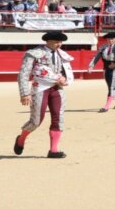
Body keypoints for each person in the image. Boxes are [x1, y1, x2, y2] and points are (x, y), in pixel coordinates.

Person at [13, 31, 73, 159]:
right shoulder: (33, 53)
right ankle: (21, 139)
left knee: (59, 118)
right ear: (48, 41)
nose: (59, 45)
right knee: (35, 121)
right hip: (40, 88)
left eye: (61, 42)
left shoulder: (61, 54)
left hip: (57, 88)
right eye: (57, 42)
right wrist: (25, 93)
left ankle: (54, 150)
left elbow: (65, 71)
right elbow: (23, 74)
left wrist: (64, 79)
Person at [88, 31, 115, 112]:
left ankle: (106, 106)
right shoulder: (103, 47)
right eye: (109, 39)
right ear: (107, 39)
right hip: (107, 68)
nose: (110, 40)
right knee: (111, 85)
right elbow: (97, 56)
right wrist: (91, 65)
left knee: (112, 86)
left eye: (112, 39)